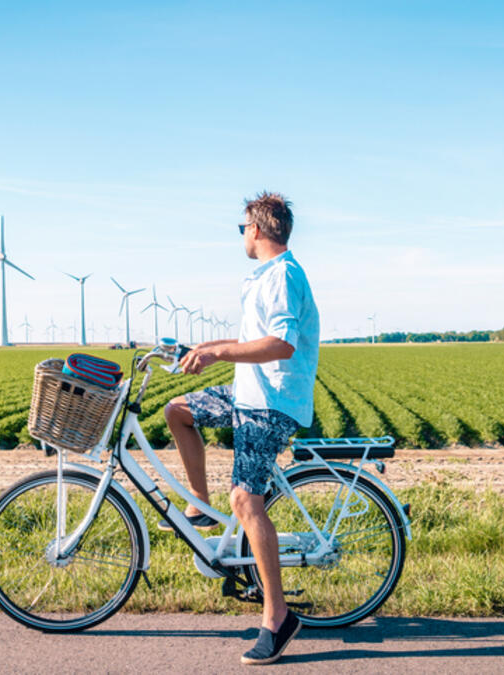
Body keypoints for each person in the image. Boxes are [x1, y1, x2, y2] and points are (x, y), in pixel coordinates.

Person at [163, 191, 319, 665]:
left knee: (246, 500)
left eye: (241, 229)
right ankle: (201, 506)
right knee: (177, 411)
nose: (242, 237)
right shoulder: (266, 276)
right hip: (248, 392)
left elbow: (281, 344)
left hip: (270, 402)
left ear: (255, 229)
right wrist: (202, 347)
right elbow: (252, 339)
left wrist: (219, 353)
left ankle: (278, 617)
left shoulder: (283, 275)